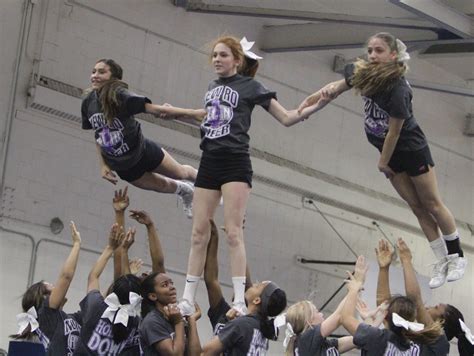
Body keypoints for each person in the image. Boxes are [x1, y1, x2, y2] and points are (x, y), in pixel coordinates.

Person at [298, 32, 466, 289]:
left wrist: (382, 162)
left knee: (431, 203)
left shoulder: (398, 88)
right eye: (371, 50)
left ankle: (457, 256)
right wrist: (310, 102)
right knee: (416, 207)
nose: (373, 55)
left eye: (379, 51)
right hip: (388, 153)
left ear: (393, 55)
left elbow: (395, 131)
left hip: (409, 149)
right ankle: (441, 260)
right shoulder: (361, 72)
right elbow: (335, 88)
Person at [179, 35, 328, 315]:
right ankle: (187, 297)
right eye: (214, 55)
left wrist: (317, 104)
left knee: (234, 232)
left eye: (223, 55)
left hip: (235, 162)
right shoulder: (211, 88)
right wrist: (173, 113)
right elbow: (209, 119)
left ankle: (238, 298)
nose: (216, 60)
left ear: (237, 60)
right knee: (199, 233)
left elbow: (287, 118)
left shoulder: (250, 86)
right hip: (209, 160)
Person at [82, 59, 206, 218]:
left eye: (101, 72)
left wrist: (193, 113)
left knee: (180, 172)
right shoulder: (88, 102)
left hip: (142, 151)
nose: (95, 76)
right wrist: (103, 165)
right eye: (93, 71)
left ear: (114, 78)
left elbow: (154, 109)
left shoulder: (120, 96)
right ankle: (186, 191)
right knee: (162, 185)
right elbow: (98, 135)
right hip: (124, 167)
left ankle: (211, 181)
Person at [341, 244, 450, 355]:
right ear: (412, 318)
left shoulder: (375, 338)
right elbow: (417, 301)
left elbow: (345, 318)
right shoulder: (433, 349)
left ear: (385, 315)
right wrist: (406, 261)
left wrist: (354, 288)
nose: (428, 307)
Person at [10, 222, 82, 355]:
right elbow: (66, 277)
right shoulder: (46, 315)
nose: (57, 287)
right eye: (52, 287)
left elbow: (100, 307)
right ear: (44, 299)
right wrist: (77, 245)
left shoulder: (70, 318)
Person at [74, 224, 143, 355]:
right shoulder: (133, 322)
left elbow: (93, 277)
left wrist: (110, 247)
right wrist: (124, 252)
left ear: (113, 290)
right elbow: (129, 294)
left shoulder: (96, 306)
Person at [201, 281, 287, 355]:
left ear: (256, 300)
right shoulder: (263, 331)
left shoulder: (241, 325)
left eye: (257, 286)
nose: (253, 284)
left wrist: (228, 324)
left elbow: (206, 352)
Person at [204, 219, 253, 335]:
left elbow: (247, 284)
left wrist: (238, 240)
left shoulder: (253, 321)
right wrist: (214, 237)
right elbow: (211, 280)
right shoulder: (222, 312)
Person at [284, 298, 357, 356]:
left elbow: (359, 338)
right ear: (309, 321)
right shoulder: (305, 339)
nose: (321, 314)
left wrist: (368, 319)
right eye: (317, 312)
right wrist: (354, 289)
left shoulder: (320, 345)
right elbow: (339, 316)